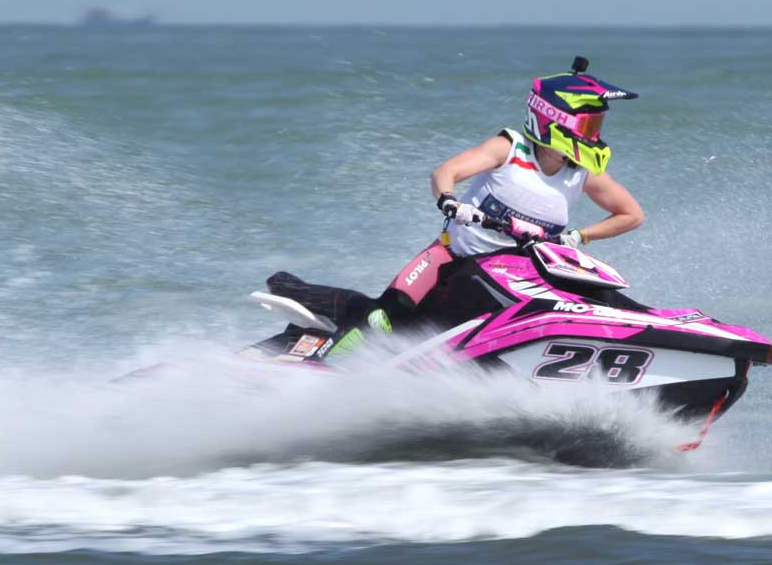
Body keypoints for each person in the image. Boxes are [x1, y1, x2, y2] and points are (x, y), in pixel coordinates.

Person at [266, 57, 643, 354]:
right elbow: (447, 172)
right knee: (385, 318)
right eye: (590, 126)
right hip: (454, 258)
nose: (595, 135)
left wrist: (579, 236)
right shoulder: (510, 148)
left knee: (593, 298)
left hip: (525, 269)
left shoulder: (581, 172)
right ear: (555, 119)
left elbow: (631, 215)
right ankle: (325, 362)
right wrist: (449, 201)